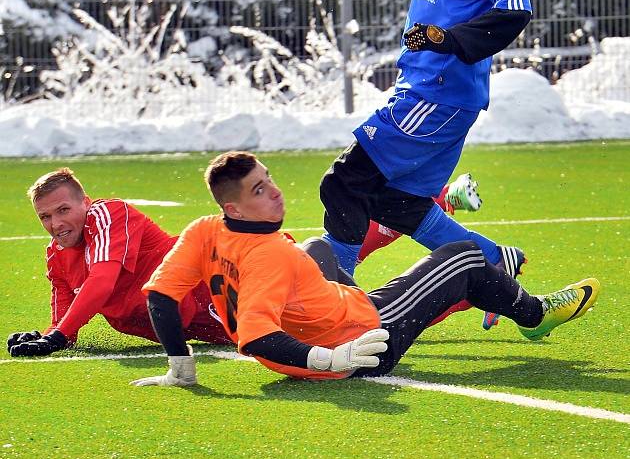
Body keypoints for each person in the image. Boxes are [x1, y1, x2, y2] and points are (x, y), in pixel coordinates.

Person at [131, 151, 598, 388]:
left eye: (268, 178)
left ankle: (471, 283)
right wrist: (331, 360)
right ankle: (535, 315)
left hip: (333, 322)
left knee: (320, 248)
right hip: (366, 340)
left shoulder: (205, 228)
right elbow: (254, 336)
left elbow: (160, 295)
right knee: (462, 256)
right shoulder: (270, 255)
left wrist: (181, 368)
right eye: (259, 190)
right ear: (235, 205)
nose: (273, 192)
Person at [319, 0, 532, 327]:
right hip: (428, 86)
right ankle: (492, 259)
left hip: (437, 92)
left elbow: (514, 5)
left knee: (344, 184)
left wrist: (449, 39)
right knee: (399, 205)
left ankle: (338, 312)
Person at [6, 168, 231, 358]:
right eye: (45, 217)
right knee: (252, 340)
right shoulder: (57, 255)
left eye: (63, 210)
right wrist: (46, 337)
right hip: (200, 323)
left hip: (221, 288)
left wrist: (56, 337)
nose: (56, 224)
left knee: (261, 337)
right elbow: (65, 328)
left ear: (85, 203)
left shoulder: (108, 213)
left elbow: (102, 282)